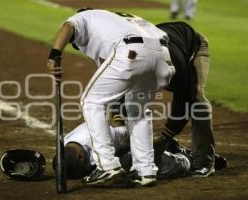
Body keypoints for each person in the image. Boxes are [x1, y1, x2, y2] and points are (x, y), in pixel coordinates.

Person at [47, 8, 175, 186]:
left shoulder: (85, 16)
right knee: (137, 110)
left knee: (90, 101)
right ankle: (145, 171)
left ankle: (107, 165)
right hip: (163, 58)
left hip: (132, 51)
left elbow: (68, 26)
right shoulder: (120, 21)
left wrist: (55, 54)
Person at [51, 122, 227, 180]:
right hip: (112, 147)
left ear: (82, 156)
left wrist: (155, 148)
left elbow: (129, 135)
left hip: (126, 136)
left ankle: (186, 158)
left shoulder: (103, 137)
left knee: (138, 164)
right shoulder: (65, 150)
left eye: (82, 169)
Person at [153, 21, 215, 177]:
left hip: (193, 47)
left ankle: (204, 161)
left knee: (197, 100)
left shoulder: (176, 64)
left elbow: (185, 95)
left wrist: (167, 135)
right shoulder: (132, 59)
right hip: (169, 43)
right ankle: (171, 146)